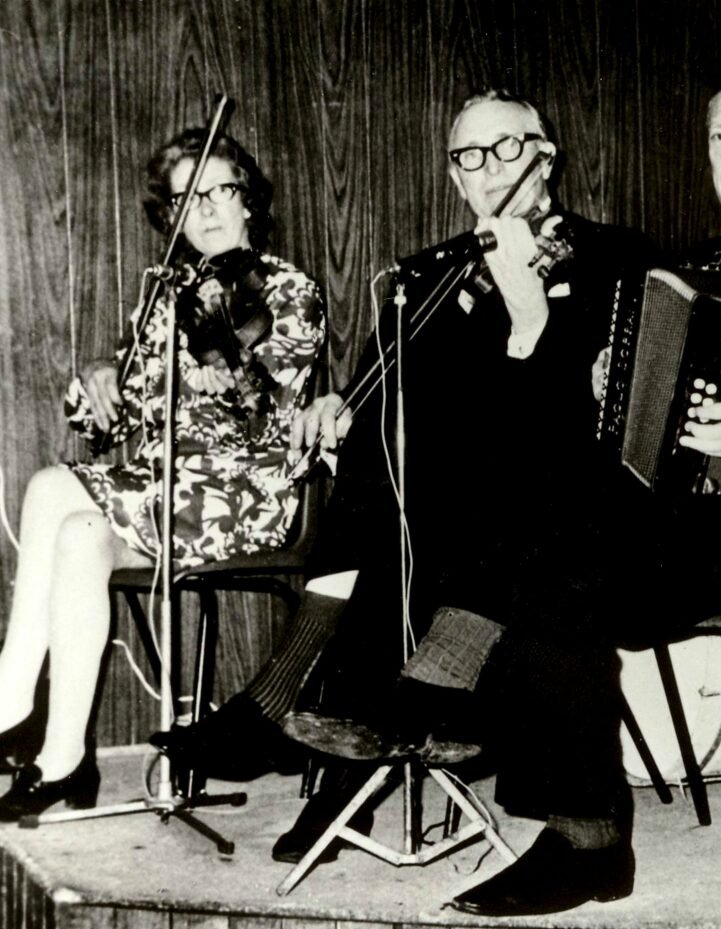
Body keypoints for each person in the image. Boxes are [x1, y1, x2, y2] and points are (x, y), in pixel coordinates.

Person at [283, 70, 721, 917]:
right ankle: (460, 715)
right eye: (717, 135)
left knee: (567, 535)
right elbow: (666, 417)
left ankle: (545, 802)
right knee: (542, 499)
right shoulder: (700, 269)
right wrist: (618, 390)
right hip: (720, 530)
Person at [150, 89, 656, 864]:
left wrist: (530, 325)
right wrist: (334, 407)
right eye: (469, 157)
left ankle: (314, 709)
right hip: (439, 512)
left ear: (545, 158)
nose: (490, 170)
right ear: (455, 180)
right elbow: (387, 399)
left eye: (508, 148)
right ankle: (346, 712)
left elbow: (597, 422)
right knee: (373, 450)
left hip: (560, 509)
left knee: (460, 471)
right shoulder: (435, 279)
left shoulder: (618, 258)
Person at [0, 130, 327, 822]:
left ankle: (10, 702)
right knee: (67, 511)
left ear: (249, 202)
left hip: (245, 491)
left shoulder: (286, 288)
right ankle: (60, 753)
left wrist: (225, 365)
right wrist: (100, 381)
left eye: (219, 191)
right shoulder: (162, 295)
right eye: (186, 199)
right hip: (161, 486)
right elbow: (112, 429)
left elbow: (272, 404)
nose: (203, 210)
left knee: (63, 498)